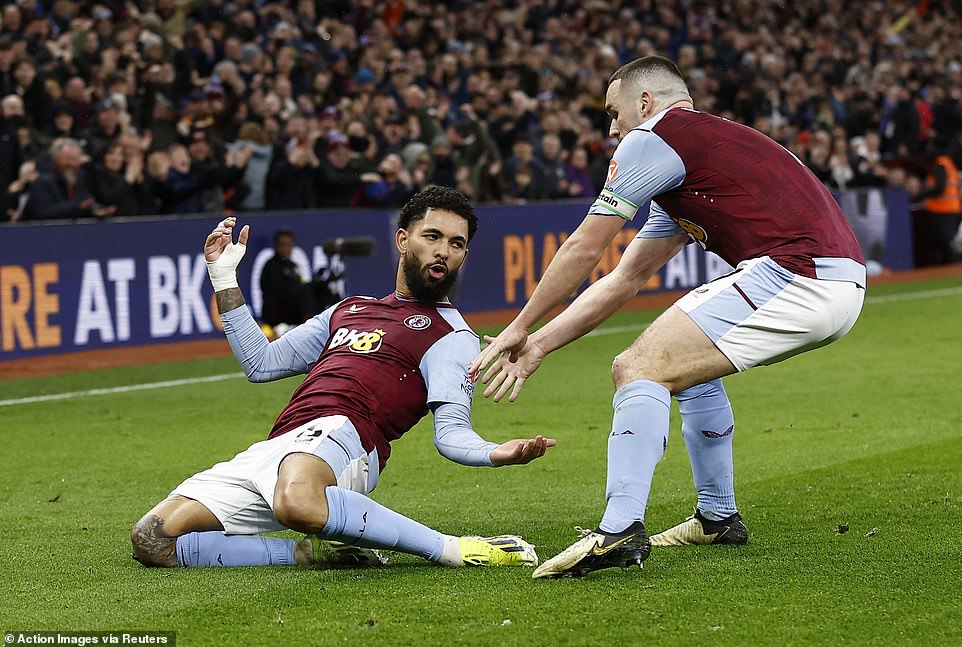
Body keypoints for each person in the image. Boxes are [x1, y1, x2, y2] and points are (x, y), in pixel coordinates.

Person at [470, 56, 866, 579]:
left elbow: (587, 246)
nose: (611, 129)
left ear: (645, 102)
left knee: (638, 367)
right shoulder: (695, 154)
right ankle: (717, 518)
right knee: (682, 369)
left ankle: (618, 530)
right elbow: (623, 279)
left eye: (613, 114)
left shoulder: (653, 138)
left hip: (798, 275)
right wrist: (541, 342)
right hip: (834, 282)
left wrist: (518, 325)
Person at [131, 185, 554, 570]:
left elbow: (451, 433)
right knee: (153, 538)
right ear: (403, 240)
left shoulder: (452, 336)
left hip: (347, 438)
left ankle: (448, 549)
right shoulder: (347, 309)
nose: (444, 251)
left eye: (456, 243)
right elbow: (260, 363)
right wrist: (223, 276)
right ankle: (320, 554)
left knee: (296, 501)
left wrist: (494, 452)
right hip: (279, 444)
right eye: (433, 236)